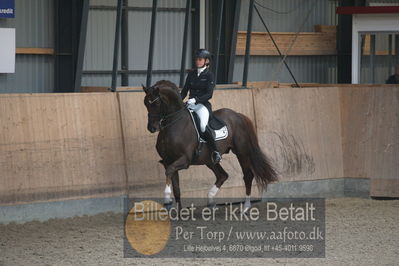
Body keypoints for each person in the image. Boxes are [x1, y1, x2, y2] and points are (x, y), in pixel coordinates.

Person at [180, 49, 222, 164]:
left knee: (203, 126)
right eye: (196, 59)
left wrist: (196, 99)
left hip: (202, 105)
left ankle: (215, 152)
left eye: (200, 59)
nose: (197, 62)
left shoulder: (209, 75)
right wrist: (179, 101)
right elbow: (184, 91)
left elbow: (209, 94)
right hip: (190, 104)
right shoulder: (191, 74)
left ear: (206, 61)